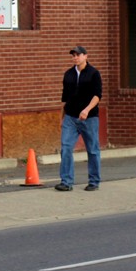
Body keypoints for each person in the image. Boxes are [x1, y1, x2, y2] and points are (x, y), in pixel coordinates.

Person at [55, 45, 102, 192]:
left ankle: (94, 181)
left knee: (92, 149)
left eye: (78, 55)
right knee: (66, 148)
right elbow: (65, 98)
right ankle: (66, 182)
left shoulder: (93, 73)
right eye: (73, 55)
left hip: (89, 118)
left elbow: (97, 95)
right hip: (70, 117)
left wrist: (87, 110)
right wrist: (62, 118)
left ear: (85, 56)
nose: (75, 57)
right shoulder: (68, 74)